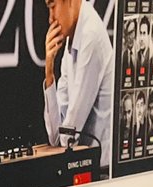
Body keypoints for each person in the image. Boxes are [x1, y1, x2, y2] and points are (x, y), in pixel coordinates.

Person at [43, 0, 114, 173]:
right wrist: (49, 72)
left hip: (103, 172)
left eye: (52, 6)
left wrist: (62, 136)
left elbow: (68, 138)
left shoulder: (90, 35)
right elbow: (55, 137)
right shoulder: (72, 37)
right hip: (84, 165)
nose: (50, 18)